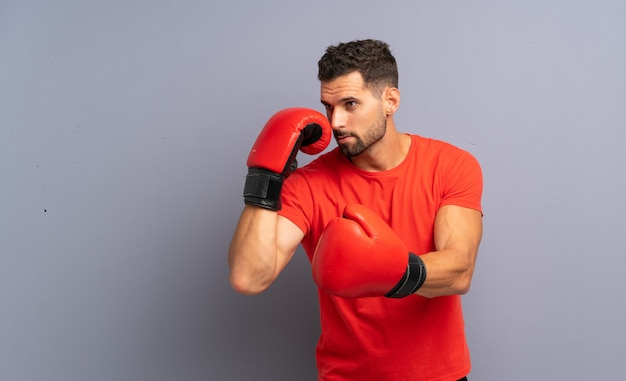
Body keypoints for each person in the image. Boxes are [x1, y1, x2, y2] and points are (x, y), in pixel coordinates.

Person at [229, 39, 483, 381]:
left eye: (350, 104)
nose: (335, 122)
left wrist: (391, 270)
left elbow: (459, 269)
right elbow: (249, 277)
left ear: (390, 101)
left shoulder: (450, 165)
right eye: (329, 106)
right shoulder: (309, 184)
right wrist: (266, 179)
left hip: (438, 376)